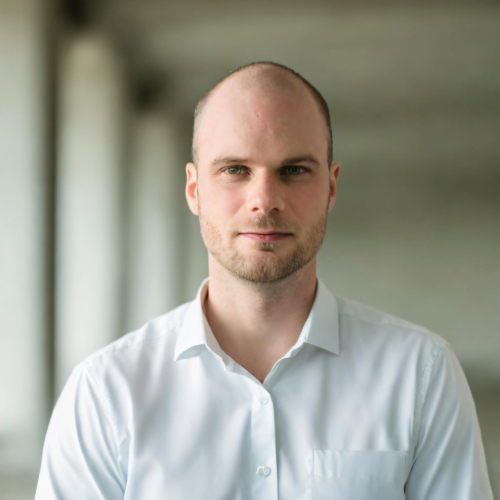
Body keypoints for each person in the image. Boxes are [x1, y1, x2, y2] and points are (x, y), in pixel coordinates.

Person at [35, 61, 494, 500]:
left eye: (293, 170)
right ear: (195, 190)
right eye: (235, 170)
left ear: (331, 188)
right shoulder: (106, 392)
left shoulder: (420, 374)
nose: (264, 200)